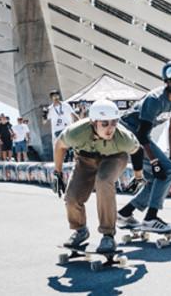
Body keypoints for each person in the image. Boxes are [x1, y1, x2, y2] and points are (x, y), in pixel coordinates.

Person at [53, 100, 139, 255]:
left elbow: (137, 151)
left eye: (114, 123)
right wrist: (57, 173)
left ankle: (108, 235)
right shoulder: (76, 132)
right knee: (72, 197)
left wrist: (139, 177)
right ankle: (80, 231)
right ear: (93, 122)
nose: (110, 129)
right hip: (85, 160)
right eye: (104, 124)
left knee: (104, 181)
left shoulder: (123, 138)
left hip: (114, 158)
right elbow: (60, 145)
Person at [116, 60, 171, 233]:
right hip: (127, 133)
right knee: (167, 172)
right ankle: (151, 219)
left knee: (161, 176)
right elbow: (141, 135)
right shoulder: (155, 99)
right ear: (168, 81)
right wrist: (156, 163)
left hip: (141, 136)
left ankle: (125, 214)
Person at [46, 90, 78, 157]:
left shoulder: (65, 105)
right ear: (51, 98)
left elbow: (73, 115)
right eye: (54, 96)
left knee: (71, 144)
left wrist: (80, 122)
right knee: (64, 145)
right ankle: (66, 159)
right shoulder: (50, 109)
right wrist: (44, 114)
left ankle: (72, 158)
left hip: (67, 128)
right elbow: (44, 121)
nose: (56, 97)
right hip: (58, 130)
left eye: (57, 95)